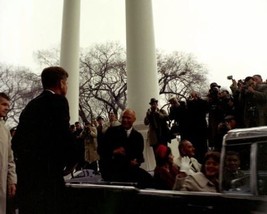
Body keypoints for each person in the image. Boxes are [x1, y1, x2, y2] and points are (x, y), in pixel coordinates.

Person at [11, 66, 78, 214]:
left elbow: (17, 142)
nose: (66, 87)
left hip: (28, 174)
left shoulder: (31, 105)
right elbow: (63, 133)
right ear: (61, 83)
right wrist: (73, 159)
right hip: (49, 173)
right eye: (66, 83)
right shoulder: (59, 101)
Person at [101, 108, 153, 188]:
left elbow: (140, 156)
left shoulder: (138, 136)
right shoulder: (111, 132)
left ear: (134, 119)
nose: (125, 120)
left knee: (150, 180)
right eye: (123, 117)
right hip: (114, 169)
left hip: (130, 170)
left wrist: (137, 161)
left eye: (128, 118)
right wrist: (114, 151)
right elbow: (101, 150)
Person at [0, 92, 17, 214]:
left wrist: (12, 180)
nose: (7, 108)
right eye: (3, 104)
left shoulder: (5, 129)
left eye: (8, 105)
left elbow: (10, 159)